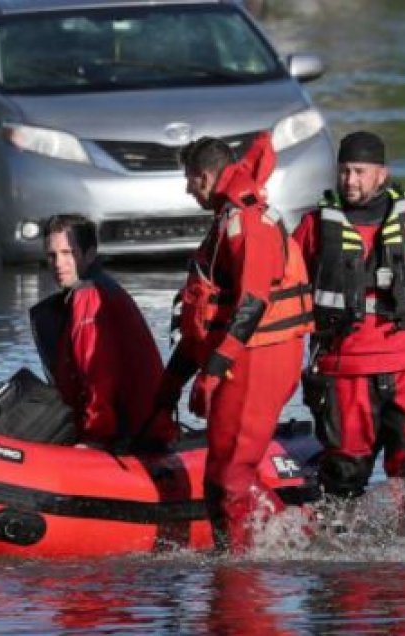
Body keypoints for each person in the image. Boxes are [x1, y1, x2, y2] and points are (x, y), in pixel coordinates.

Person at [156, 133, 314, 552]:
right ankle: (260, 547)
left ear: (205, 175)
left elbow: (253, 301)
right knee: (222, 472)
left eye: (189, 180)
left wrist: (213, 369)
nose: (188, 189)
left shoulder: (244, 219)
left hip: (259, 355)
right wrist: (174, 381)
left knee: (231, 475)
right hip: (247, 354)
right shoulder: (227, 218)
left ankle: (255, 562)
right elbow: (210, 312)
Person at [293, 131, 405, 502]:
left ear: (381, 174)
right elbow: (283, 288)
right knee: (345, 471)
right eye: (344, 172)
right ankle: (340, 551)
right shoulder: (314, 227)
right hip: (345, 368)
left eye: (359, 172)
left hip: (401, 364)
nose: (350, 181)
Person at [29, 214, 177, 451]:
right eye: (52, 255)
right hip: (140, 429)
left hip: (131, 438)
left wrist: (95, 438)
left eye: (68, 253)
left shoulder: (90, 296)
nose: (58, 263)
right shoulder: (96, 290)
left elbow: (97, 373)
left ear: (89, 254)